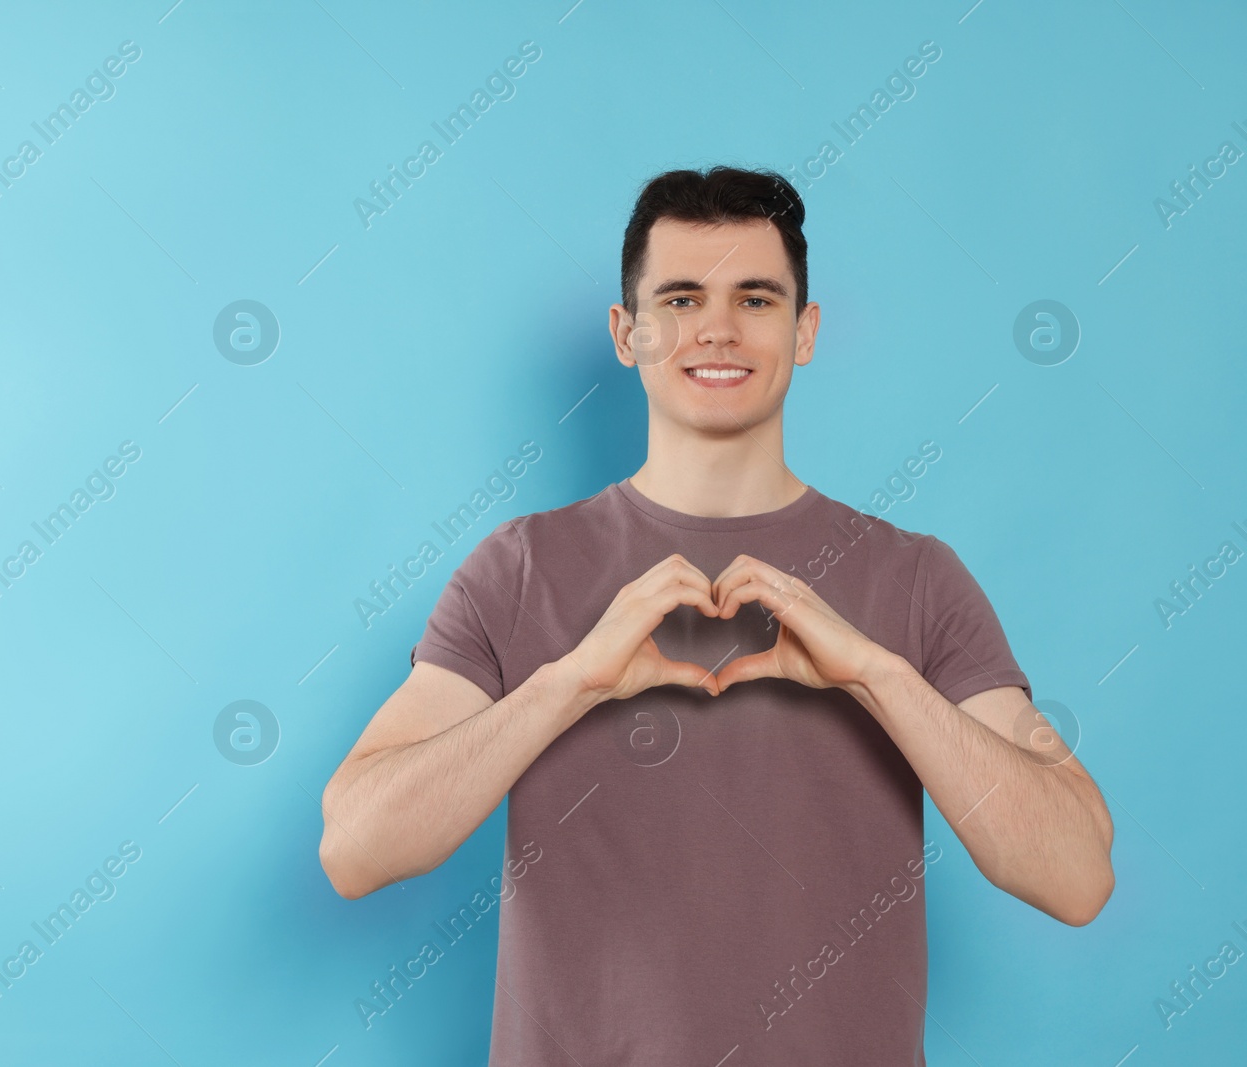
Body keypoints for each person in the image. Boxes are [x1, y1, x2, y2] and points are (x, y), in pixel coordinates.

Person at [317, 165, 1114, 1064]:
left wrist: (878, 675)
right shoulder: (519, 570)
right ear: (628, 333)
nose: (719, 328)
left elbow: (1078, 874)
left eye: (758, 298)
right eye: (682, 297)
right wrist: (570, 682)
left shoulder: (917, 578)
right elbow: (355, 848)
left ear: (805, 331)